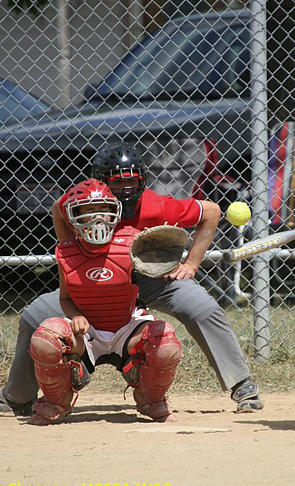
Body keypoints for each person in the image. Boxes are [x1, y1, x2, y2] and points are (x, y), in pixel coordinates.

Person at [0, 142, 263, 417]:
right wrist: (73, 252)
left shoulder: (156, 205)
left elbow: (212, 211)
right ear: (100, 181)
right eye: (117, 184)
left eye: (133, 182)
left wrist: (191, 264)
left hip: (150, 276)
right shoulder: (86, 201)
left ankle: (242, 384)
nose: (126, 191)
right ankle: (17, 398)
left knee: (202, 308)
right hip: (95, 283)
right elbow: (59, 209)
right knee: (34, 315)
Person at [28, 178, 182, 424]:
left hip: (126, 328)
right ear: (72, 215)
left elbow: (161, 254)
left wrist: (169, 261)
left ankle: (151, 398)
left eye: (103, 210)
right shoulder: (67, 251)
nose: (96, 219)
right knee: (46, 337)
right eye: (86, 211)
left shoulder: (132, 242)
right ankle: (57, 401)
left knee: (165, 339)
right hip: (87, 335)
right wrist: (76, 316)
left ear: (116, 212)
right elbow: (65, 299)